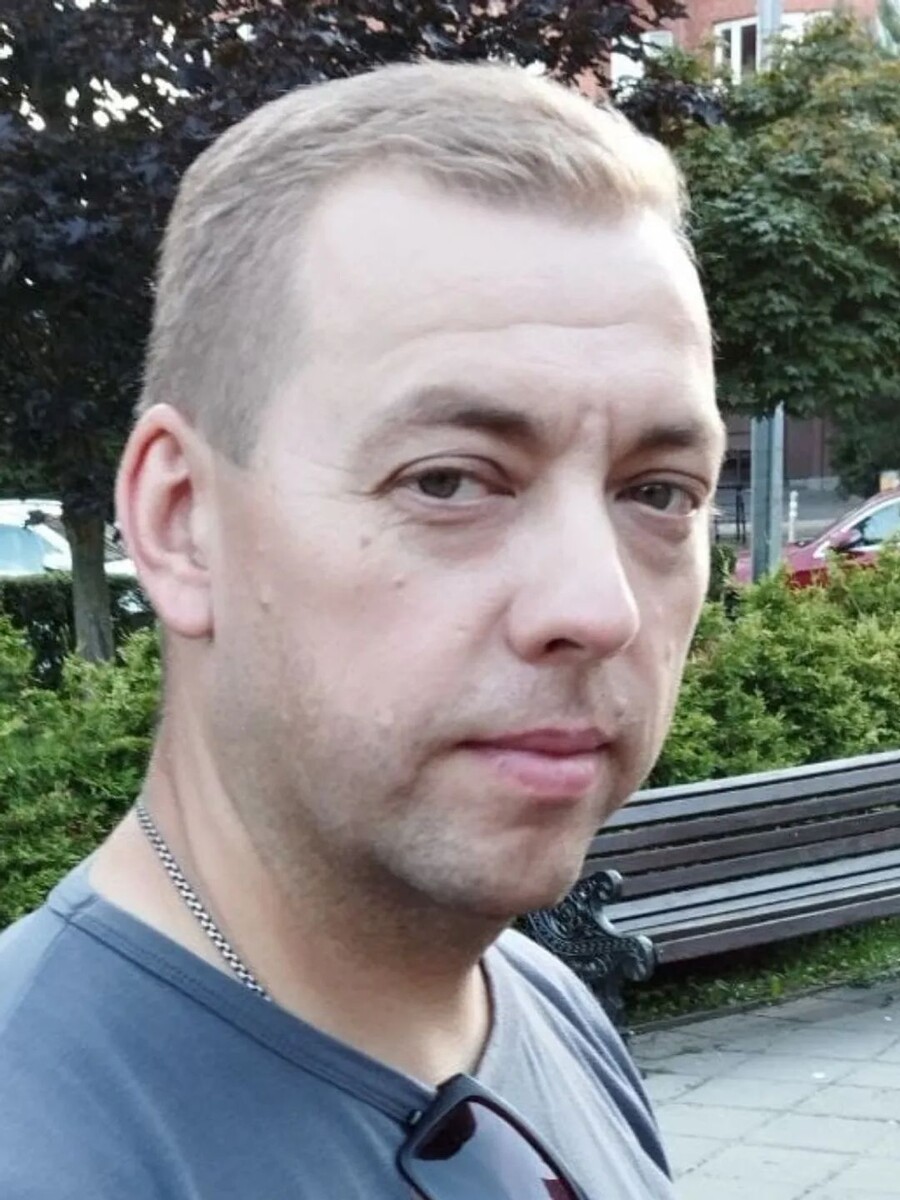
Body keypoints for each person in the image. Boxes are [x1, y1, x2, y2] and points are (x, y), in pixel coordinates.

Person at [0, 62, 724, 1199]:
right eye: (448, 480)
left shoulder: (544, 1007)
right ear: (182, 524)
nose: (598, 607)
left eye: (658, 492)